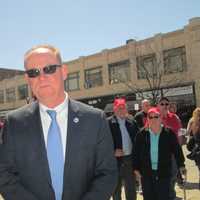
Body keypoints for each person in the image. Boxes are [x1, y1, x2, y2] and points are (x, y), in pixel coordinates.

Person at [0, 45, 118, 200]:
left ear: (64, 72)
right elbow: (5, 174)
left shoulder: (95, 120)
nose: (41, 77)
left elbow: (107, 173)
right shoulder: (14, 123)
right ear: (28, 79)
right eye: (33, 72)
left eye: (49, 69)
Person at [133, 107, 186, 200]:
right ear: (147, 119)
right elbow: (136, 152)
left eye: (156, 117)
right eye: (150, 117)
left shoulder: (168, 133)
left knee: (164, 196)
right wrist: (136, 169)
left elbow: (177, 150)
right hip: (146, 173)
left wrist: (181, 165)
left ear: (161, 118)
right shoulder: (141, 134)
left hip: (164, 171)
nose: (153, 119)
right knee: (149, 197)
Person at [108, 98, 138, 200]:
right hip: (115, 162)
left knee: (131, 188)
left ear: (126, 109)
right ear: (114, 110)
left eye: (123, 108)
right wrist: (113, 151)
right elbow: (102, 143)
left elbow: (138, 140)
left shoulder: (132, 121)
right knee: (116, 189)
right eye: (119, 108)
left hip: (130, 160)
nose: (121, 110)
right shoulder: (108, 123)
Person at [157, 97, 183, 200]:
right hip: (159, 154)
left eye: (166, 104)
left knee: (173, 176)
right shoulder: (153, 117)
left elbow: (180, 133)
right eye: (162, 104)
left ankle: (171, 195)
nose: (164, 106)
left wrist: (179, 148)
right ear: (158, 105)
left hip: (173, 154)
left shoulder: (174, 118)